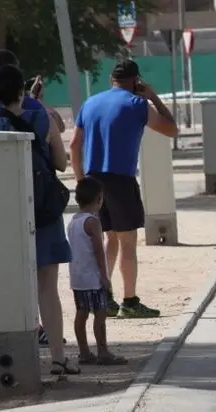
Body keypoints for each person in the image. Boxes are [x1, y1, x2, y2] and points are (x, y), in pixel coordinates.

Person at [69, 58, 178, 319]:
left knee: (109, 238)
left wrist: (81, 180)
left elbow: (74, 144)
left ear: (111, 80)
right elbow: (171, 130)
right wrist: (153, 96)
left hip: (93, 179)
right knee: (128, 241)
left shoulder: (90, 103)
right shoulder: (137, 104)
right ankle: (130, 301)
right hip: (120, 180)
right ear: (136, 81)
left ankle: (104, 297)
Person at [0, 64, 79, 376]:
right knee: (47, 287)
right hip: (42, 211)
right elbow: (60, 161)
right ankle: (57, 358)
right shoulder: (41, 115)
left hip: (3, 213)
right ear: (22, 89)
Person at [68, 178, 127, 366]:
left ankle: (84, 352)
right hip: (93, 277)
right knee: (100, 314)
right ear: (99, 198)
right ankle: (103, 351)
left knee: (81, 313)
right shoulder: (93, 221)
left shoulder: (73, 221)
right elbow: (99, 251)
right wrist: (105, 275)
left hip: (77, 277)